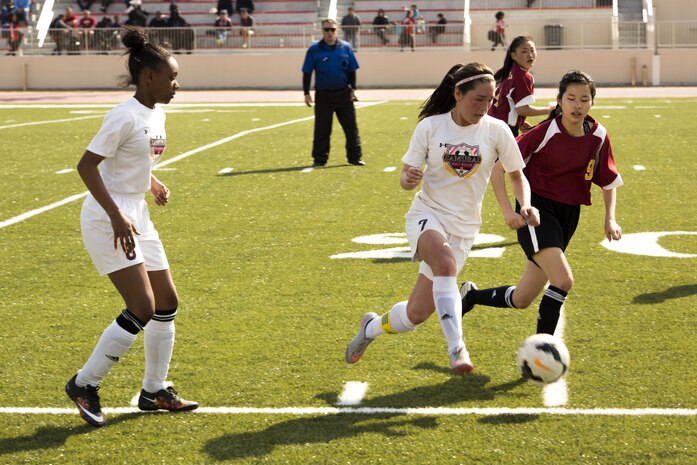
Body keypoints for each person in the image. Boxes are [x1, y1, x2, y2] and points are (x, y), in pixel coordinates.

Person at [345, 63, 540, 375]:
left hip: (464, 228)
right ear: (457, 93)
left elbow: (517, 175)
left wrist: (525, 205)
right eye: (478, 99)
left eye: (490, 100)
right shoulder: (431, 127)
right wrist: (408, 178)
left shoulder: (497, 130)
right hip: (427, 214)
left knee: (415, 314)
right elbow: (406, 176)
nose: (484, 107)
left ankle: (369, 328)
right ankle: (456, 348)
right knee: (446, 265)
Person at [65, 26, 198, 428]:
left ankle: (154, 390)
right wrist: (116, 214)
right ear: (148, 77)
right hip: (110, 217)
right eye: (171, 77)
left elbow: (133, 162)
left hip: (136, 211)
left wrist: (151, 182)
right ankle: (84, 384)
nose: (176, 84)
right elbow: (87, 166)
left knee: (167, 303)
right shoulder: (123, 115)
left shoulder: (156, 113)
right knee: (142, 307)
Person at [460, 70, 623, 338]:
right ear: (559, 100)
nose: (577, 105)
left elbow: (608, 180)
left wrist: (610, 219)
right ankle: (542, 350)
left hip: (569, 215)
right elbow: (499, 169)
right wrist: (506, 210)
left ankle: (472, 296)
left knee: (523, 298)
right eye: (571, 98)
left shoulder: (599, 135)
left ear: (592, 102)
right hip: (535, 211)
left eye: (584, 99)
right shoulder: (544, 132)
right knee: (563, 280)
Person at [301, 18, 364, 167]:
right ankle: (319, 159)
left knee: (351, 128)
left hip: (343, 94)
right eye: (327, 30)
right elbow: (307, 72)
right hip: (323, 96)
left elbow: (352, 70)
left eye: (332, 30)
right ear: (322, 31)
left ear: (337, 31)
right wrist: (306, 92)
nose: (330, 33)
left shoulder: (346, 47)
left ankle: (355, 158)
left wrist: (353, 88)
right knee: (322, 129)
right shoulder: (314, 50)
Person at [488, 35, 554, 136]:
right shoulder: (523, 76)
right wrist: (548, 110)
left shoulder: (511, 72)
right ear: (513, 55)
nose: (530, 55)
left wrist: (518, 122)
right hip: (504, 129)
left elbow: (506, 105)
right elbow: (522, 109)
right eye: (524, 51)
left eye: (532, 50)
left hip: (493, 126)